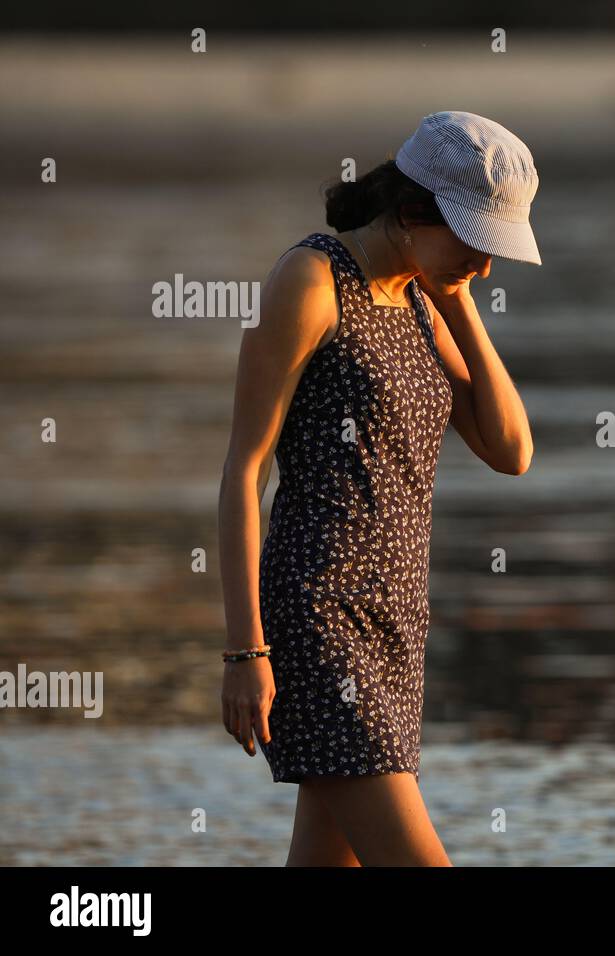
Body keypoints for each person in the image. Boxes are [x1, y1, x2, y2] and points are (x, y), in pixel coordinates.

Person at [217, 111, 540, 865]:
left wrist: (452, 296)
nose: (486, 268)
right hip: (319, 625)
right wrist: (245, 652)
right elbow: (243, 469)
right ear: (410, 212)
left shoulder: (421, 302)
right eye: (474, 242)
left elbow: (511, 448)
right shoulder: (312, 279)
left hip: (396, 627)